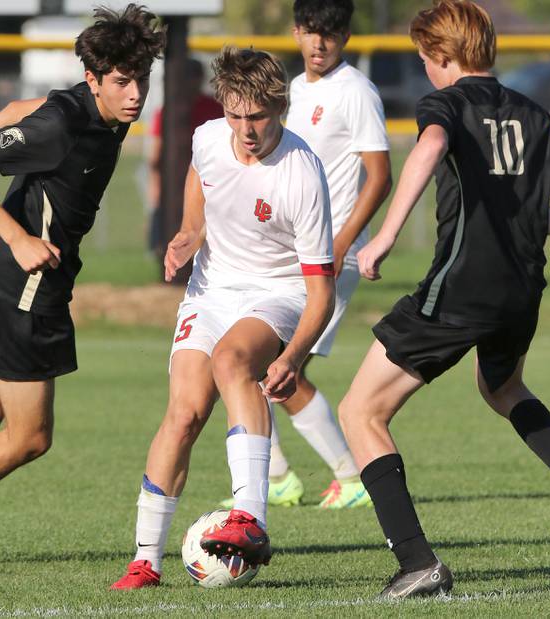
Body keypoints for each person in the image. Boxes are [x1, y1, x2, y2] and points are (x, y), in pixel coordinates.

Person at [337, 0, 550, 599]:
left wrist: (386, 237)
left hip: (462, 287)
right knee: (502, 388)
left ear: (443, 57)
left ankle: (416, 562)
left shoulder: (445, 104)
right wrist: (526, 224)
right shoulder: (536, 113)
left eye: (426, 59)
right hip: (522, 288)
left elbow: (426, 150)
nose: (425, 69)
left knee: (360, 412)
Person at [0, 4, 165, 562]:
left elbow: (14, 108)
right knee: (29, 438)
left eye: (142, 80)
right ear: (94, 79)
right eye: (122, 83)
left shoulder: (83, 105)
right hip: (22, 286)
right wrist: (16, 235)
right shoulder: (64, 124)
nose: (135, 94)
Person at [111, 46, 336, 590]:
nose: (245, 129)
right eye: (235, 115)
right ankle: (145, 560)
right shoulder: (211, 137)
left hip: (278, 294)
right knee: (184, 414)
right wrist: (192, 230)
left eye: (256, 116)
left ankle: (250, 519)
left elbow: (320, 292)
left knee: (233, 360)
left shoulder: (302, 172)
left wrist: (292, 356)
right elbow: (200, 178)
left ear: (278, 108)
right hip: (210, 291)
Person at [221, 0, 391, 511]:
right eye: (312, 32)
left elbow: (380, 176)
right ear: (296, 32)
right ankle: (278, 476)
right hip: (288, 250)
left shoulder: (357, 91)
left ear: (345, 35)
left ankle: (347, 474)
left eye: (331, 33)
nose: (320, 44)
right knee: (256, 364)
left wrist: (343, 243)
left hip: (330, 250)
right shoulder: (291, 91)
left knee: (275, 365)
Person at [146, 58, 222, 259]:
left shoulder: (213, 107)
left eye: (194, 78)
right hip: (174, 180)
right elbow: (156, 155)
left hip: (206, 180)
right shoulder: (167, 110)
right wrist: (156, 189)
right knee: (167, 238)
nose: (191, 83)